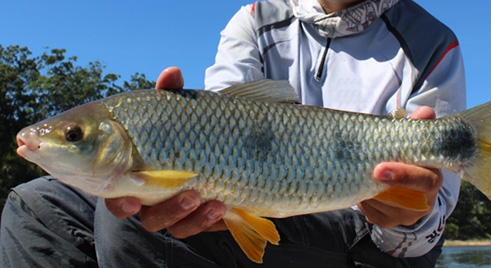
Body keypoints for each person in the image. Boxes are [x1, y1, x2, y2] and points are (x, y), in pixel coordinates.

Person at [0, 0, 465, 267]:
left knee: (122, 217)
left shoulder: (431, 43)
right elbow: (228, 113)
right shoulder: (254, 18)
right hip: (244, 200)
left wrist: (409, 217)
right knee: (36, 206)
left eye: (74, 134)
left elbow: (432, 217)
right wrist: (179, 121)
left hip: (365, 231)